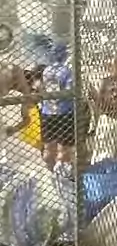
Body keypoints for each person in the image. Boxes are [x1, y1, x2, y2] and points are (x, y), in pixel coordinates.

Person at [39, 43, 74, 172]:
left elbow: (42, 89)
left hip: (47, 113)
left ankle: (50, 172)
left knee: (49, 149)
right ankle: (63, 173)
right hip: (65, 113)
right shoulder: (67, 71)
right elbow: (70, 91)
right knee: (64, 150)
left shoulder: (46, 71)